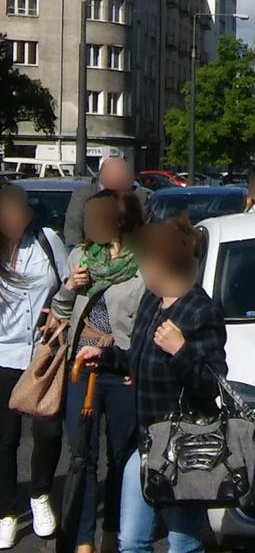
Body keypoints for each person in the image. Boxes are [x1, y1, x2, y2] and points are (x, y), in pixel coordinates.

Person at [76, 216, 226, 553]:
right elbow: (137, 357)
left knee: (182, 543)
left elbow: (211, 382)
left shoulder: (199, 310)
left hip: (185, 445)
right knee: (131, 541)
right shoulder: (152, 302)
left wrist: (180, 350)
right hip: (146, 440)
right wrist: (103, 356)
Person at [53, 190, 146, 553]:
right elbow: (61, 313)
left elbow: (149, 320)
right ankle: (83, 539)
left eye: (96, 219)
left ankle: (115, 529)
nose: (87, 226)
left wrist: (135, 364)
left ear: (118, 221)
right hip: (82, 367)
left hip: (122, 369)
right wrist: (68, 288)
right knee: (81, 456)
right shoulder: (80, 257)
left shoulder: (141, 262)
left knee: (122, 455)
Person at [0, 186, 68, 549]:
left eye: (20, 209)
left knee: (48, 431)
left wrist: (60, 308)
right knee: (4, 439)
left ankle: (40, 494)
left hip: (44, 354)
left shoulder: (46, 241)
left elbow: (67, 282)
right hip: (1, 356)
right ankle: (6, 512)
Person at [63, 157, 151, 248]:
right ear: (102, 176)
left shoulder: (139, 195)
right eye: (116, 174)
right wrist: (83, 256)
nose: (122, 178)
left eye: (125, 174)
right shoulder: (83, 196)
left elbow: (144, 230)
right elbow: (73, 234)